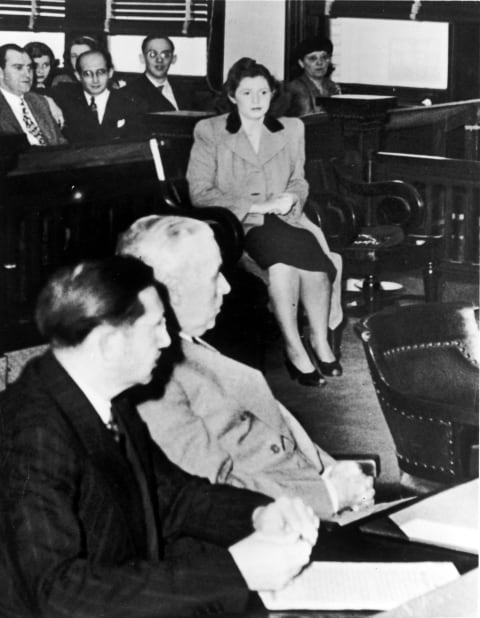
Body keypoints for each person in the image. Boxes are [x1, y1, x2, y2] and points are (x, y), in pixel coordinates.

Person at [0, 254, 318, 617]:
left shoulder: (104, 398)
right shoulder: (31, 435)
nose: (167, 340)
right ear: (109, 344)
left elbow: (173, 496)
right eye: (155, 327)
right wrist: (234, 569)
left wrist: (259, 513)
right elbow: (57, 593)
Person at [117, 215, 375, 519]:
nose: (226, 287)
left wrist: (336, 472)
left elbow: (278, 430)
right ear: (168, 291)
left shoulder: (193, 344)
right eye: (214, 275)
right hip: (282, 524)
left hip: (319, 498)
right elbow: (210, 490)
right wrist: (331, 496)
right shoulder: (152, 381)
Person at [187, 57, 343, 387]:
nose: (256, 101)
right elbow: (200, 193)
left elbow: (299, 180)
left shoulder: (292, 128)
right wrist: (256, 205)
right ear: (232, 96)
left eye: (263, 92)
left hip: (288, 218)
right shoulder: (211, 131)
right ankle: (294, 347)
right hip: (240, 224)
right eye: (247, 93)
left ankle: (320, 341)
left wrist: (292, 198)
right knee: (284, 265)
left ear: (273, 93)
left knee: (314, 261)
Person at [52, 49, 145, 143]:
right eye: (87, 74)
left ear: (110, 73)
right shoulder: (64, 99)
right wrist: (48, 101)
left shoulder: (131, 103)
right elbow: (38, 96)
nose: (95, 80)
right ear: (78, 76)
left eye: (101, 72)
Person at [0, 43, 66, 146]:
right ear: (1, 72)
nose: (27, 74)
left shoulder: (40, 101)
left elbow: (61, 142)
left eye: (29, 68)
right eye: (18, 68)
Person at [121, 35, 197, 112]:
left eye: (165, 55)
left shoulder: (186, 91)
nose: (159, 60)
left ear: (173, 59)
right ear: (142, 58)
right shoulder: (127, 94)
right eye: (152, 54)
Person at [285, 36, 341, 116]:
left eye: (324, 57)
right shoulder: (294, 88)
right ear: (301, 63)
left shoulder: (334, 87)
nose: (319, 62)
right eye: (312, 58)